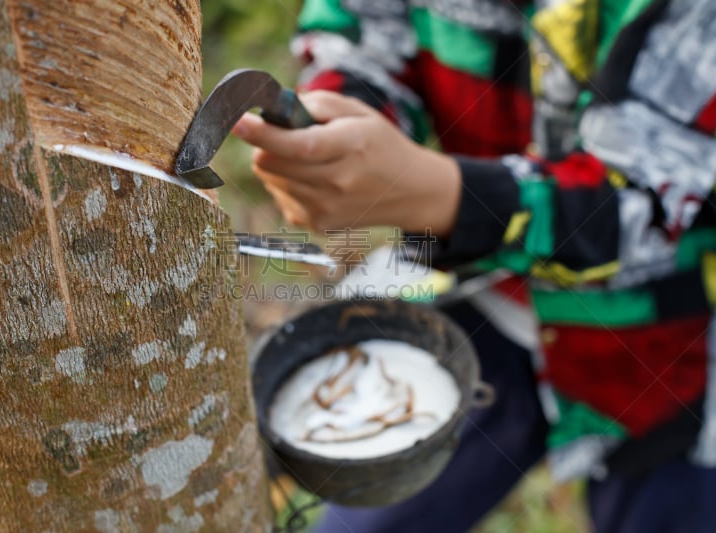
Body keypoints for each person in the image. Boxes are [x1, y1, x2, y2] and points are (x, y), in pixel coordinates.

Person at [233, 0, 716, 531]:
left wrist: (442, 194)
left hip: (661, 345)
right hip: (476, 307)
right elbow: (363, 32)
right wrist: (339, 119)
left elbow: (648, 199)